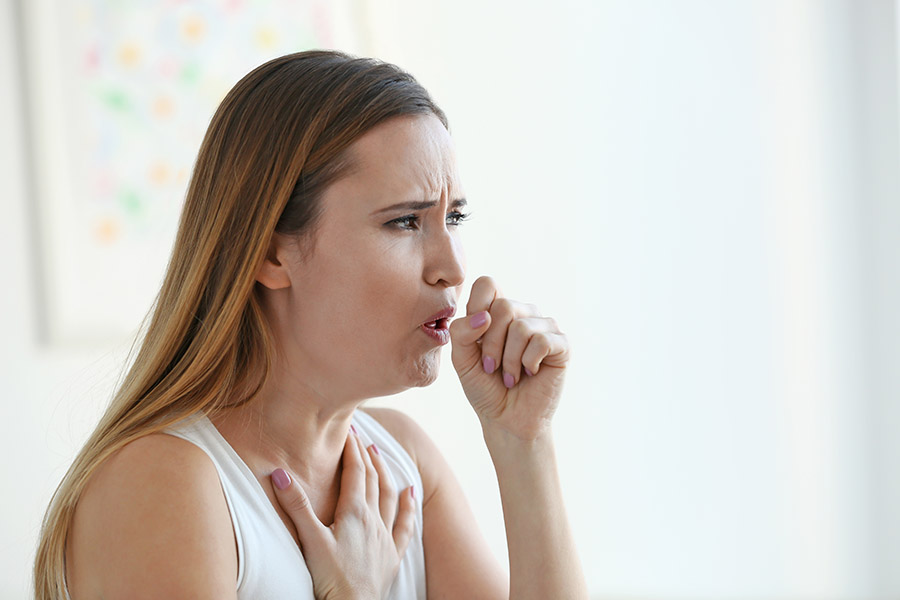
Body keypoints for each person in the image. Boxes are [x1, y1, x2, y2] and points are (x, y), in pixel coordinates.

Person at [34, 50, 588, 600]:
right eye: (404, 221)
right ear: (271, 254)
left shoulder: (405, 461)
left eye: (454, 218)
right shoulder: (161, 484)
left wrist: (523, 441)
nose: (453, 268)